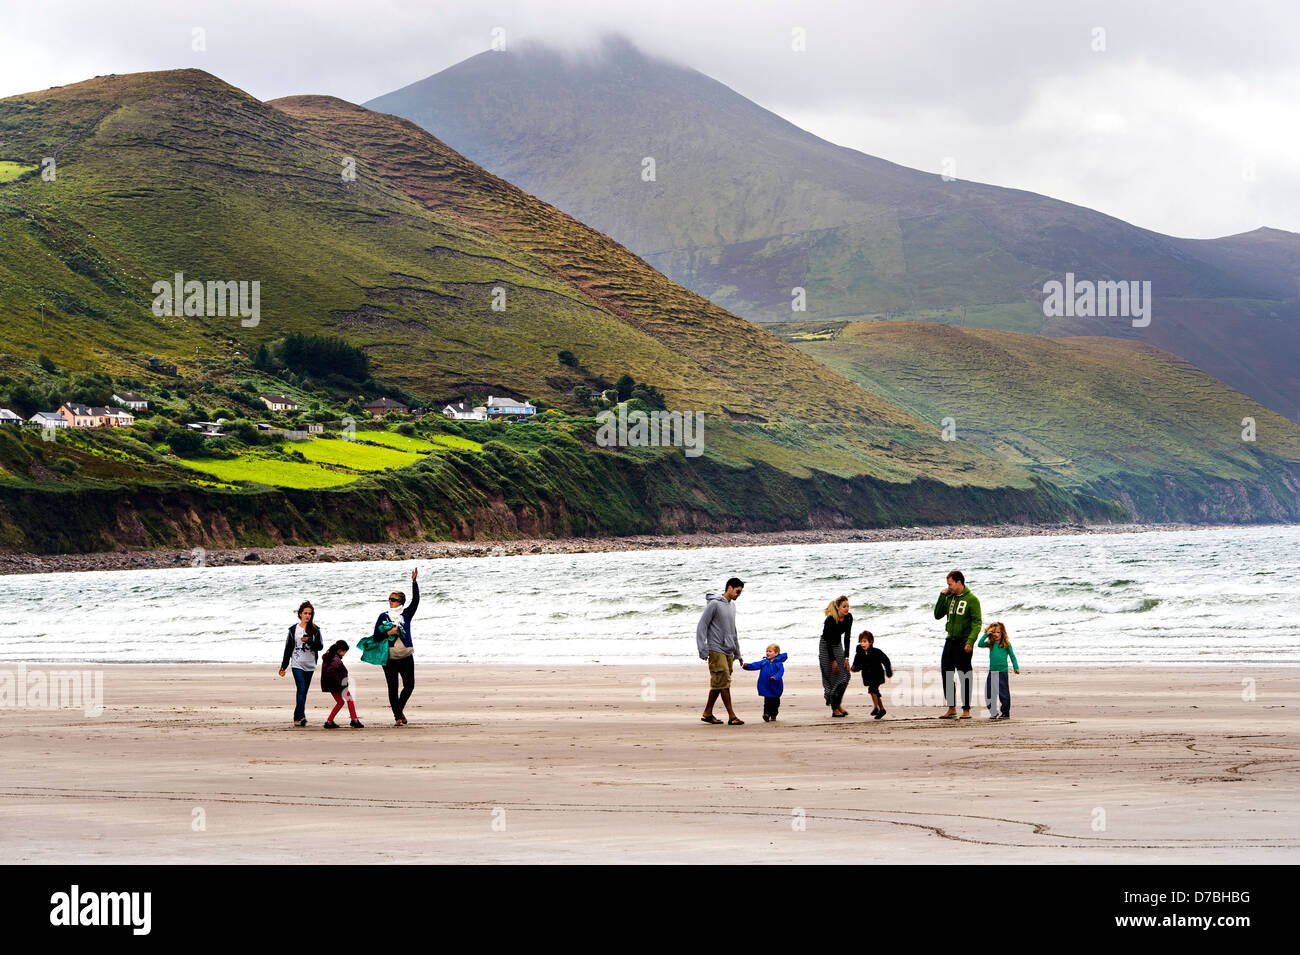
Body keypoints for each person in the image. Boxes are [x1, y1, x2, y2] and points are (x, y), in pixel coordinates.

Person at [696, 577, 745, 725]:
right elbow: (702, 626)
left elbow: (733, 630)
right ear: (729, 588)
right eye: (737, 591)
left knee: (720, 683)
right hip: (716, 649)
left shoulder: (732, 606)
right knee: (724, 682)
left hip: (729, 650)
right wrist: (702, 649)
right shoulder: (714, 604)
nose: (738, 594)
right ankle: (732, 716)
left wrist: (738, 652)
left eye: (741, 592)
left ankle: (707, 712)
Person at [934, 570, 982, 719]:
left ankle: (966, 710)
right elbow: (937, 615)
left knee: (965, 675)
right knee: (946, 673)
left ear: (959, 582)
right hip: (950, 640)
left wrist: (971, 641)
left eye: (950, 584)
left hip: (964, 642)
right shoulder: (949, 598)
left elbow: (977, 623)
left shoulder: (972, 599)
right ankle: (951, 708)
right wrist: (941, 596)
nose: (948, 587)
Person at [374, 568, 419, 726]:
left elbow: (416, 601)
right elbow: (376, 637)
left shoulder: (406, 614)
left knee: (410, 686)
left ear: (401, 602)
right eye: (390, 599)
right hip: (390, 657)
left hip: (406, 655)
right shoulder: (383, 616)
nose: (390, 601)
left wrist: (414, 583)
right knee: (392, 688)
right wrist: (389, 633)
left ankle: (398, 710)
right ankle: (397, 717)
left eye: (393, 599)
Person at [278, 600, 323, 727]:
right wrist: (284, 666)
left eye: (310, 613)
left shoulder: (315, 630)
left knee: (304, 692)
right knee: (301, 689)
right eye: (305, 613)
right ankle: (302, 716)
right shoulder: (293, 629)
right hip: (297, 663)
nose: (307, 615)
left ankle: (297, 716)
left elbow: (320, 646)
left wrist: (310, 640)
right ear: (300, 614)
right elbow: (288, 648)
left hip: (310, 664)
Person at [977, 622, 1019, 720]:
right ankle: (993, 712)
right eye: (994, 632)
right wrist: (987, 633)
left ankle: (1005, 713)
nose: (996, 634)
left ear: (1002, 633)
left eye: (998, 632)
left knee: (1003, 694)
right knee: (988, 693)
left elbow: (1012, 656)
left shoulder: (1006, 644)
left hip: (1002, 672)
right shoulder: (990, 644)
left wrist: (1016, 667)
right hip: (992, 672)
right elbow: (979, 644)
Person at [820, 596, 853, 717]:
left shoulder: (849, 618)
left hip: (837, 644)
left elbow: (847, 637)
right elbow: (828, 641)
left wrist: (846, 657)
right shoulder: (830, 620)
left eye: (848, 606)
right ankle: (834, 709)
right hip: (826, 646)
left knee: (845, 675)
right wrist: (833, 661)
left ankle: (838, 704)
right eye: (844, 606)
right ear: (838, 607)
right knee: (833, 676)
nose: (847, 609)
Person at [320, 640, 363, 729]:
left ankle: (329, 721)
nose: (344, 654)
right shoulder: (335, 659)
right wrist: (340, 683)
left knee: (340, 702)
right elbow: (331, 672)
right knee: (349, 700)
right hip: (338, 685)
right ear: (340, 650)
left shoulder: (330, 656)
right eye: (344, 652)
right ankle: (354, 720)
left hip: (331, 684)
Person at [851, 631, 893, 720]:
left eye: (865, 641)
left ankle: (876, 708)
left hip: (877, 675)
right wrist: (854, 669)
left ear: (871, 642)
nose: (862, 644)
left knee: (872, 690)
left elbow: (886, 660)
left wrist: (888, 671)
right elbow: (858, 666)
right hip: (868, 676)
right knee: (875, 692)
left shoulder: (876, 652)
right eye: (861, 641)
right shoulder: (859, 654)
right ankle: (882, 709)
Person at [742, 643, 787, 722]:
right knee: (767, 701)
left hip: (776, 686)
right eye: (767, 651)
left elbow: (781, 672)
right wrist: (747, 666)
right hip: (766, 685)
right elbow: (755, 665)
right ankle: (766, 714)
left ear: (776, 653)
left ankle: (773, 714)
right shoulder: (764, 662)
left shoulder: (779, 663)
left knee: (775, 702)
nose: (767, 653)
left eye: (770, 651)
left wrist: (776, 677)